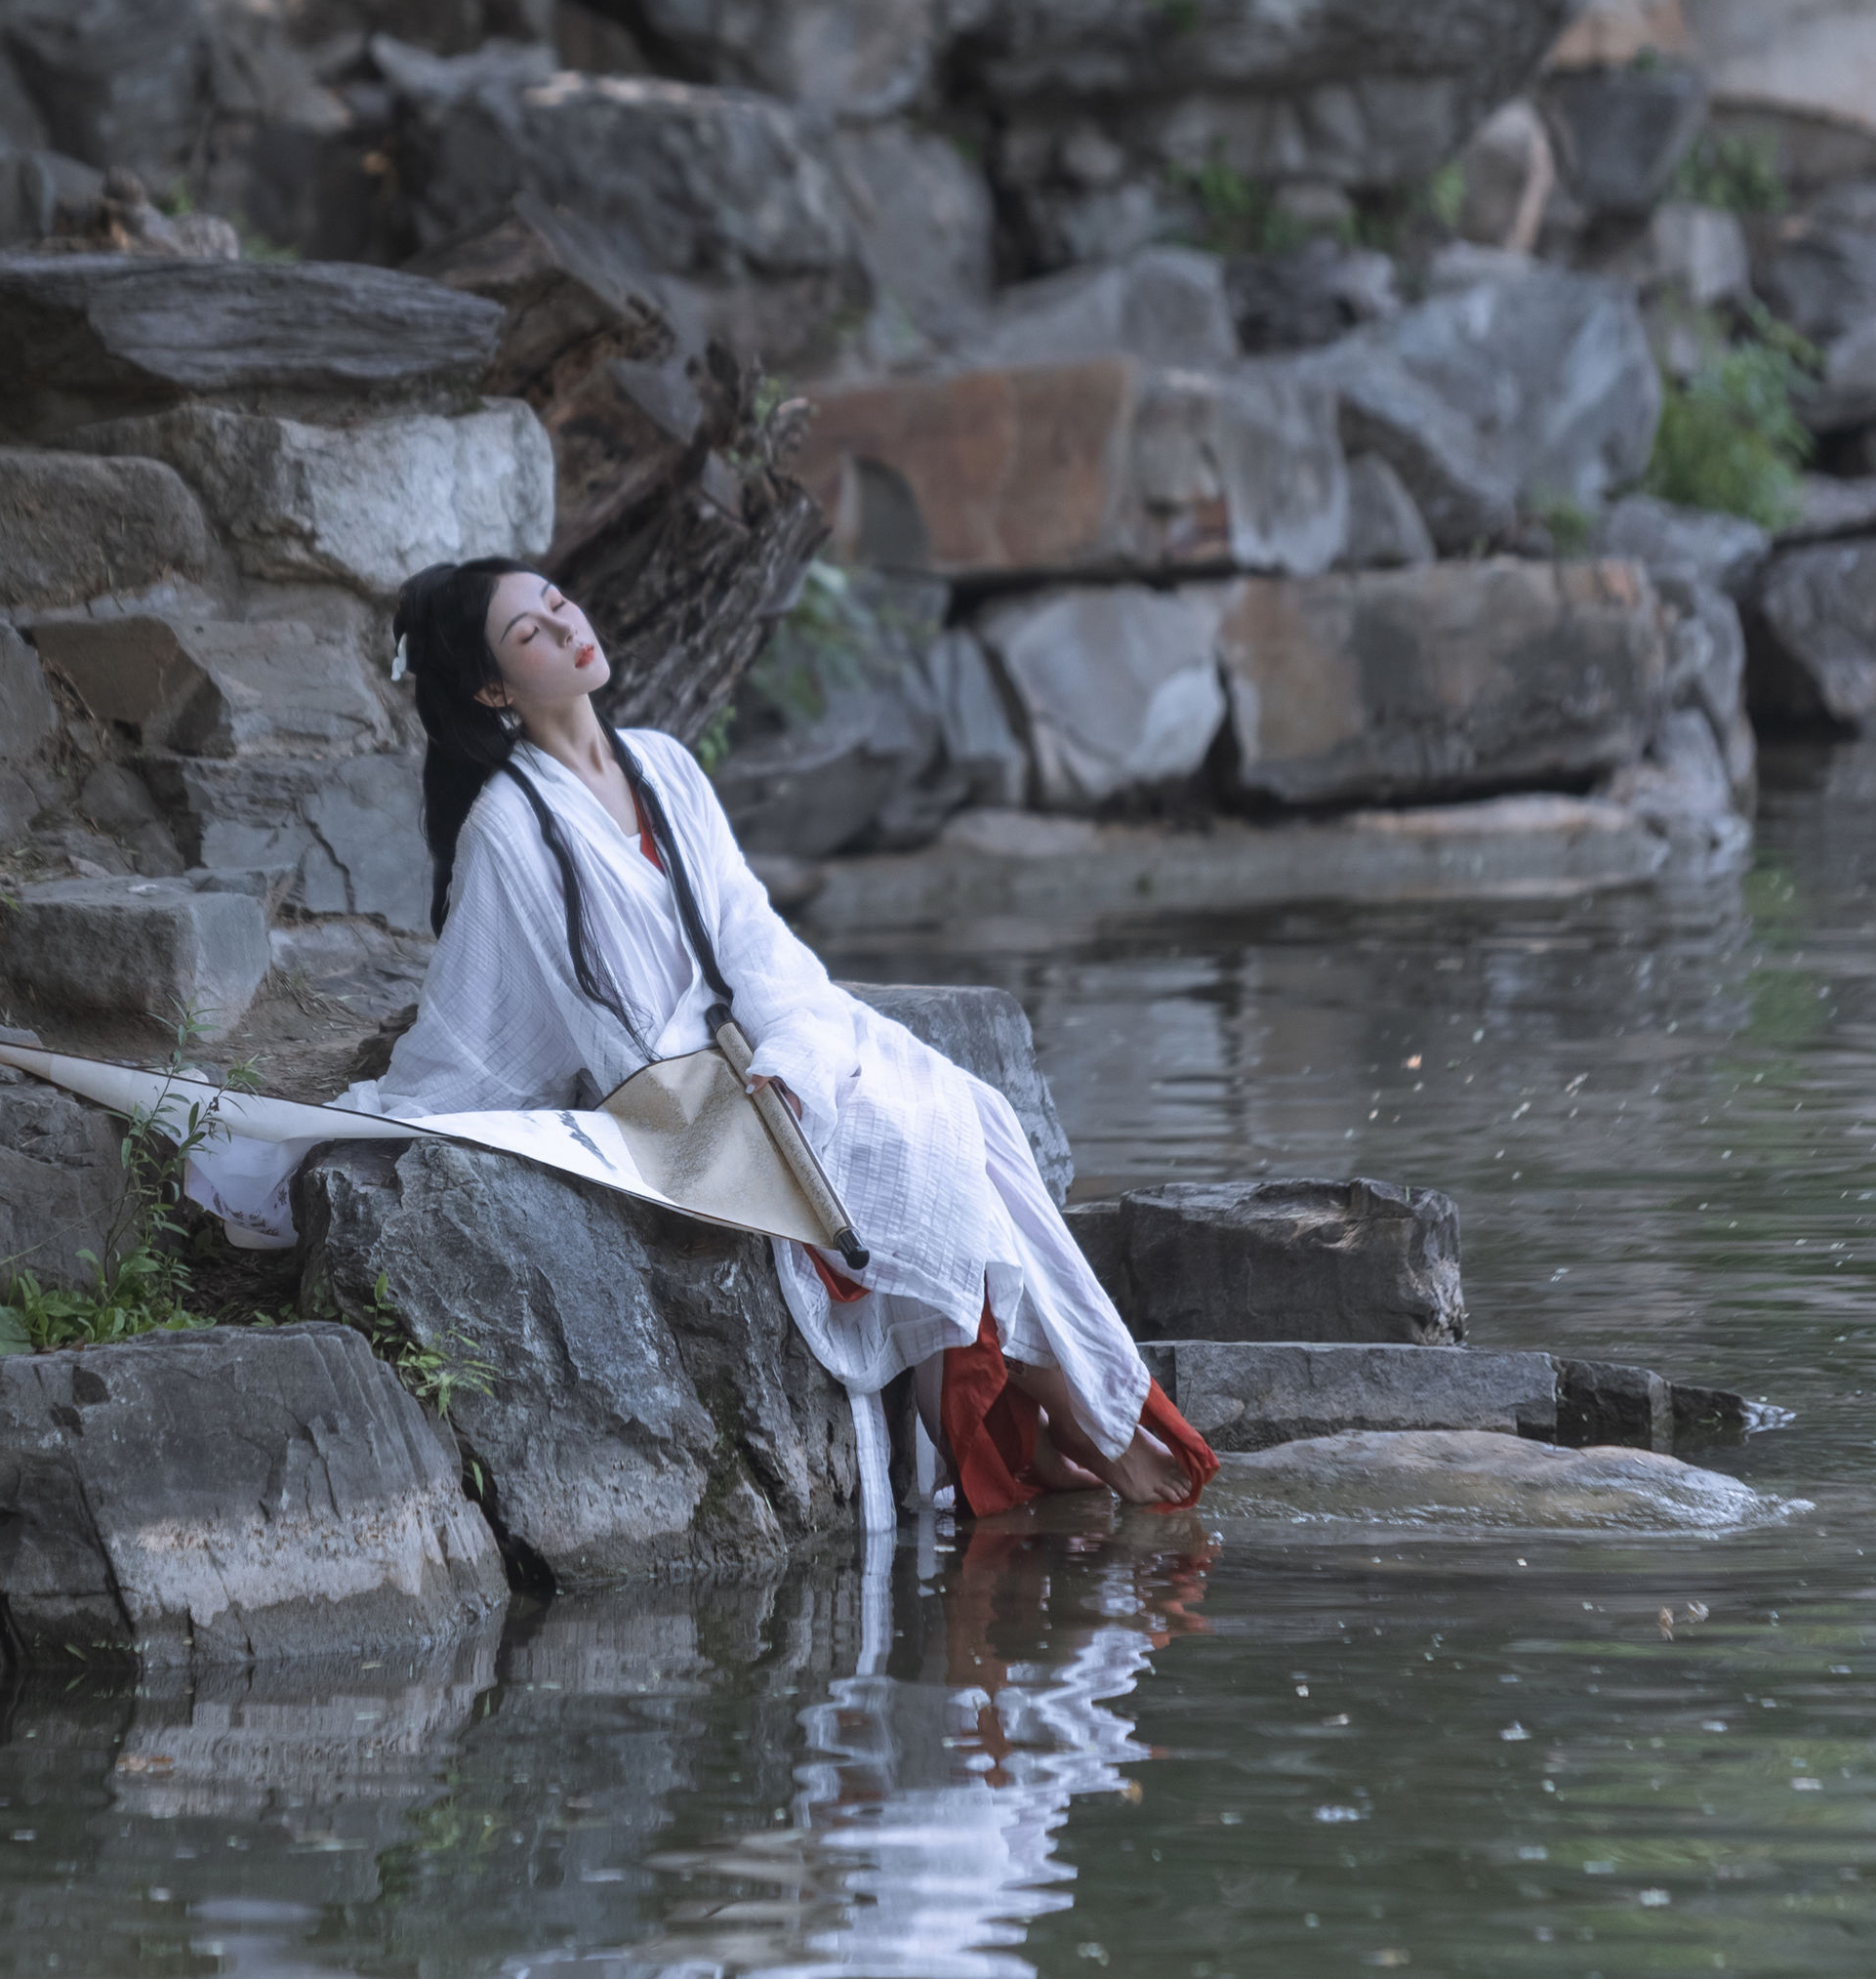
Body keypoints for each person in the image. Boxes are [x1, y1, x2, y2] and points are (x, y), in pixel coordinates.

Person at [307, 556, 1214, 1523]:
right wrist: (732, 1081)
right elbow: (576, 1013)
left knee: (972, 1113)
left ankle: (1079, 1411)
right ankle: (1091, 1421)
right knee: (908, 1158)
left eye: (560, 602)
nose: (569, 628)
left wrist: (789, 1048)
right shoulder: (508, 828)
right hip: (675, 1085)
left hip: (762, 1035)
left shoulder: (663, 761)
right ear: (494, 689)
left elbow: (751, 934)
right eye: (531, 634)